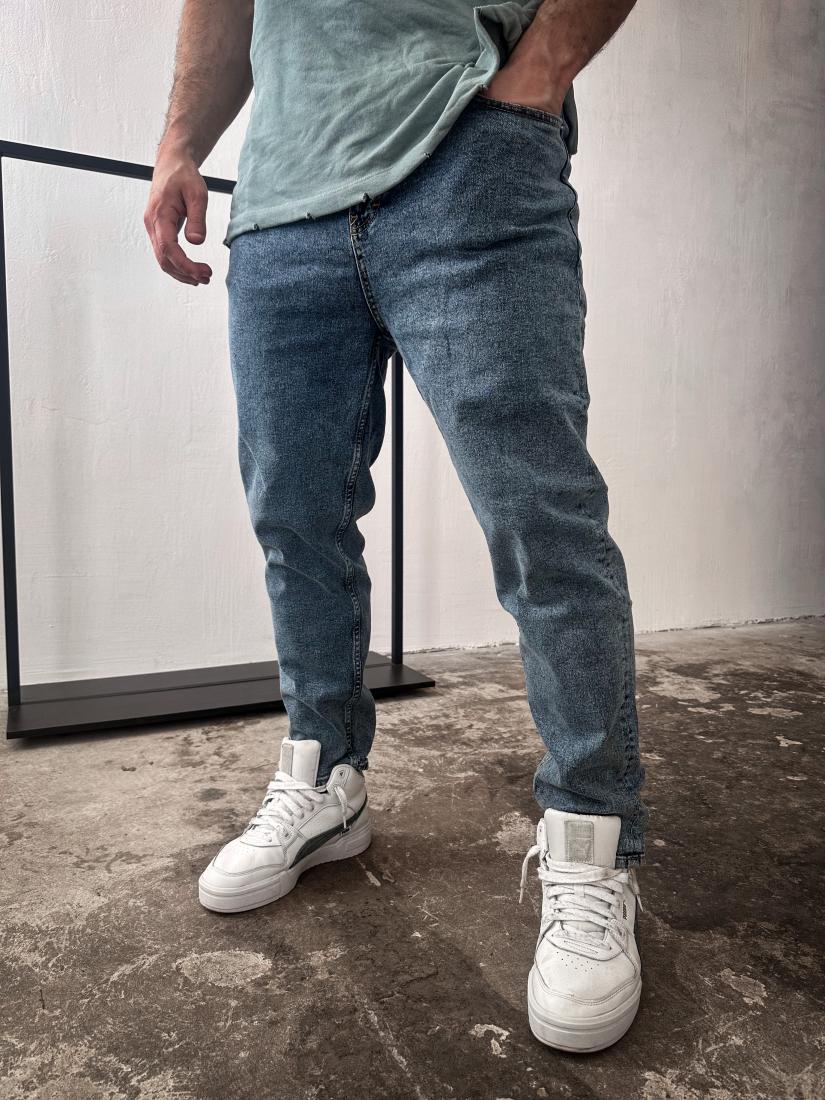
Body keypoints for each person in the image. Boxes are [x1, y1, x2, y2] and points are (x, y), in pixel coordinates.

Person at [145, 0, 648, 1054]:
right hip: (282, 197)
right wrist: (180, 143)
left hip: (469, 153)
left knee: (542, 524)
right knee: (295, 518)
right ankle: (324, 777)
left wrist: (534, 79)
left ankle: (591, 843)